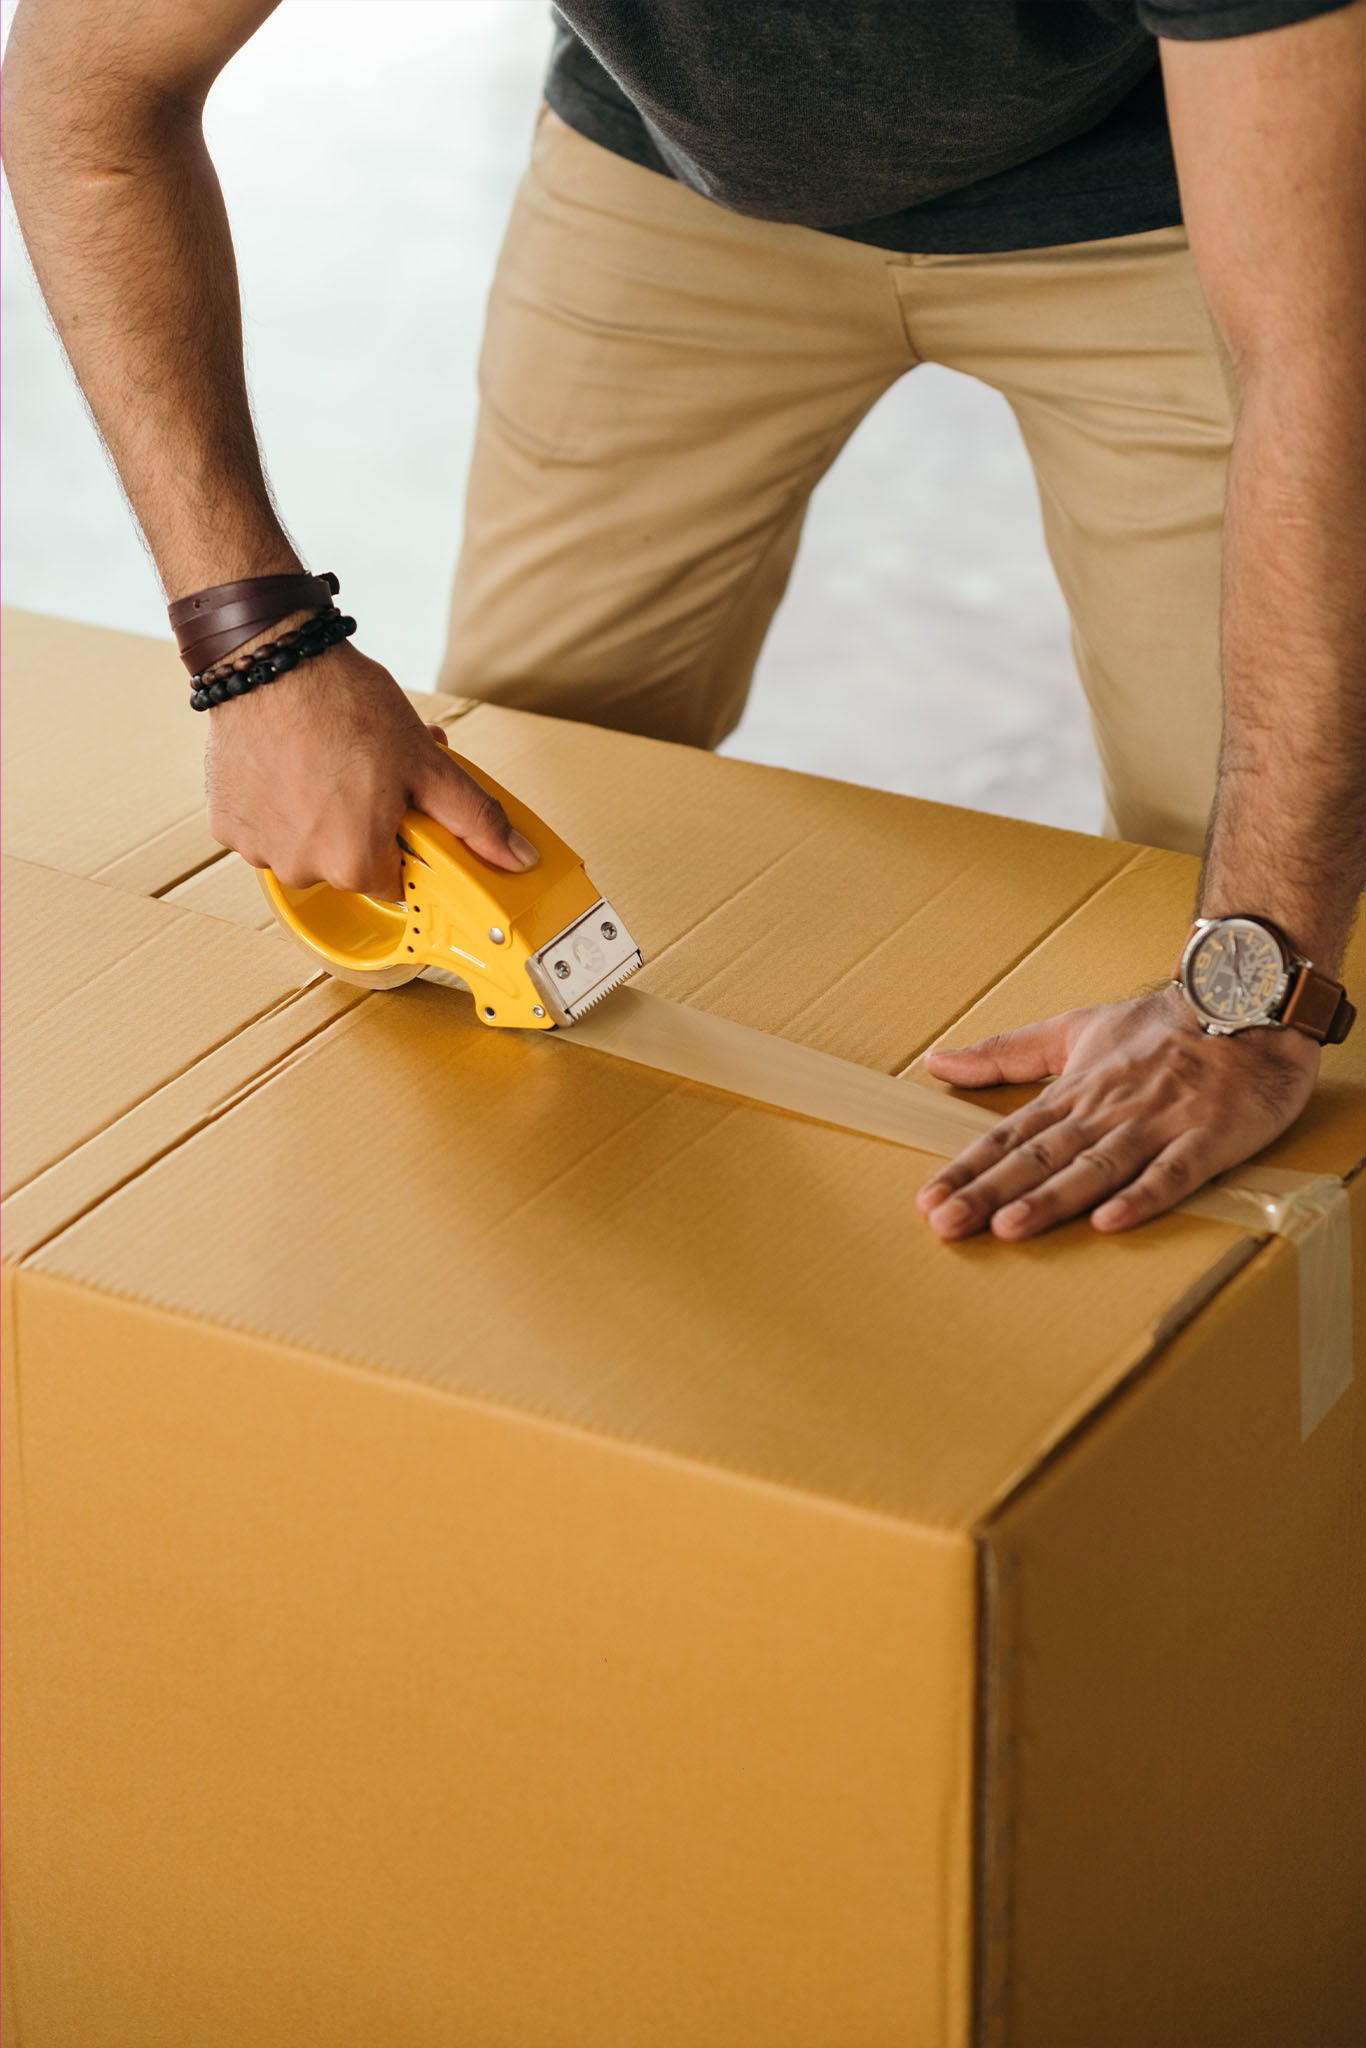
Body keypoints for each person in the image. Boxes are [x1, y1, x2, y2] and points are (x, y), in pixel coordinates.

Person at [5, 0, 1363, 1243]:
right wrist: (260, 652)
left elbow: (1318, 364)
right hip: (667, 181)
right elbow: (87, 112)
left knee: (1288, 900)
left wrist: (1250, 1000)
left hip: (1168, 200)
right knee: (505, 790)